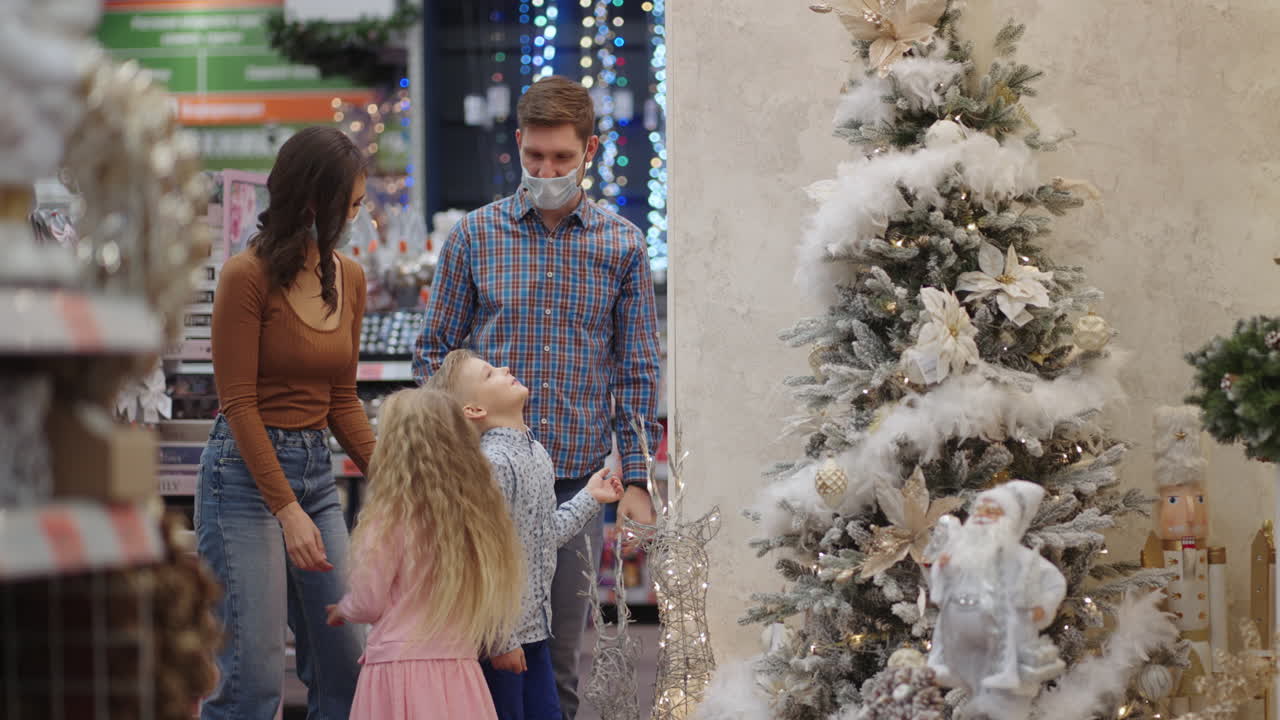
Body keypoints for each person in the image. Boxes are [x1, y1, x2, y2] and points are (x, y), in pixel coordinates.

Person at [413, 75, 662, 718]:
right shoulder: (475, 236)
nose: (547, 170)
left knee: (556, 666)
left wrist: (635, 477)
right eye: (535, 157)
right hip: (482, 484)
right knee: (473, 651)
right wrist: (445, 454)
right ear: (518, 143)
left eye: (561, 158)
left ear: (590, 151)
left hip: (572, 488)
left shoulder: (623, 245)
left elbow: (636, 371)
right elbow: (434, 351)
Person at [196, 126, 373, 720]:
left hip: (317, 479)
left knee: (349, 665)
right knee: (252, 680)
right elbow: (239, 404)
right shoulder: (245, 277)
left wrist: (402, 474)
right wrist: (286, 509)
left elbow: (342, 398)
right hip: (243, 480)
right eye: (349, 206)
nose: (355, 217)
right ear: (311, 204)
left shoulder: (349, 278)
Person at [427, 349, 624, 720]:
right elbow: (482, 557)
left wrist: (590, 498)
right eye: (488, 375)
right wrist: (501, 638)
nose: (504, 368)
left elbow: (543, 536)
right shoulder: (493, 464)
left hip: (534, 634)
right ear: (474, 410)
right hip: (499, 643)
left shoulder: (535, 453)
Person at [325, 388, 525, 720]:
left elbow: (368, 600)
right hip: (461, 674)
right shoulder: (474, 520)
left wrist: (344, 608)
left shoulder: (388, 520)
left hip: (398, 670)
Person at [927, 481, 1067, 718]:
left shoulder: (1021, 559)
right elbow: (944, 583)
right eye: (980, 511)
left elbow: (1055, 582)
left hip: (999, 639)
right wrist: (943, 569)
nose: (982, 517)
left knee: (1001, 701)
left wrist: (1043, 607)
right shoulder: (964, 552)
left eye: (992, 512)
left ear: (1008, 520)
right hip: (959, 639)